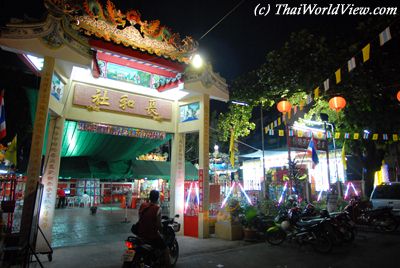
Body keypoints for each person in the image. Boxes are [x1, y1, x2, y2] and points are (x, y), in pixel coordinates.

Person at [138, 190, 170, 268]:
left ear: (149, 197)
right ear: (158, 198)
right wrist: (162, 231)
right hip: (151, 236)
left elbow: (140, 218)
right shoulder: (157, 209)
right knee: (166, 249)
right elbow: (159, 225)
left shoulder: (143, 205)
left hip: (140, 233)